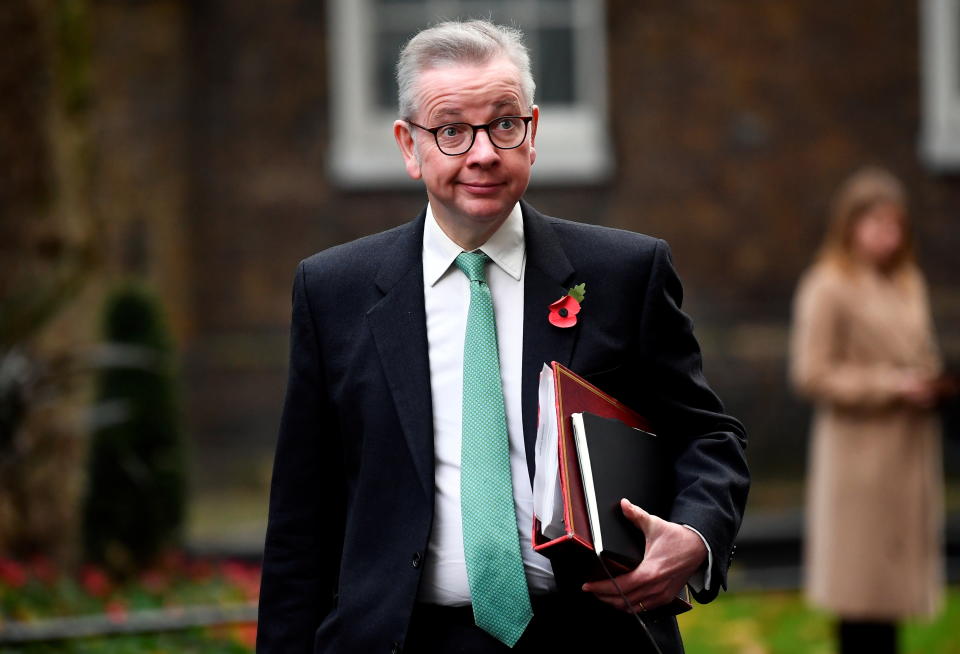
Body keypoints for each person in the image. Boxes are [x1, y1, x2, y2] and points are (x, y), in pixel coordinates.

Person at [257, 20, 749, 654]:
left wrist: (698, 535)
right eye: (452, 130)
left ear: (534, 132)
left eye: (504, 123)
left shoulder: (624, 274)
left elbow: (708, 435)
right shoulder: (334, 292)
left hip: (588, 633)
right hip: (402, 638)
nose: (483, 152)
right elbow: (302, 513)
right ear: (410, 147)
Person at [789, 166, 945, 654]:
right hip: (859, 462)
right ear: (850, 224)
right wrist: (890, 384)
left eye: (896, 226)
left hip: (907, 455)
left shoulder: (907, 282)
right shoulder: (828, 285)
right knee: (860, 592)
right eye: (877, 224)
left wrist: (927, 378)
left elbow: (922, 351)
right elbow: (811, 372)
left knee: (891, 592)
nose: (889, 237)